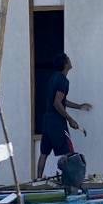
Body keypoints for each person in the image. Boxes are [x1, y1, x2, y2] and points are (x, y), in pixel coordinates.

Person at [37, 52, 92, 180]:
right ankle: (70, 180)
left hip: (47, 121)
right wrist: (70, 119)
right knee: (69, 153)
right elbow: (57, 103)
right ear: (65, 64)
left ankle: (38, 180)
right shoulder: (63, 80)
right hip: (57, 122)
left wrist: (79, 106)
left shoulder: (53, 78)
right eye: (68, 59)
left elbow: (61, 100)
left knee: (44, 153)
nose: (70, 60)